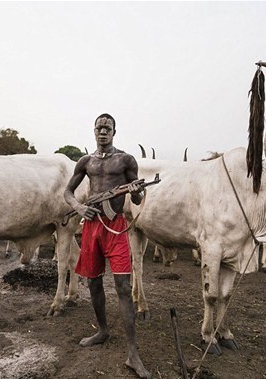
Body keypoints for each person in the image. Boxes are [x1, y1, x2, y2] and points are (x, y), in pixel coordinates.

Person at [64, 113, 151, 379]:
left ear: (115, 131)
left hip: (115, 228)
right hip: (91, 227)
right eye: (99, 127)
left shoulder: (125, 160)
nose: (103, 131)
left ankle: (133, 354)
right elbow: (68, 192)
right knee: (92, 282)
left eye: (108, 128)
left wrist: (135, 190)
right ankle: (102, 331)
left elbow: (137, 198)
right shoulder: (85, 161)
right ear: (94, 131)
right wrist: (79, 207)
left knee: (124, 287)